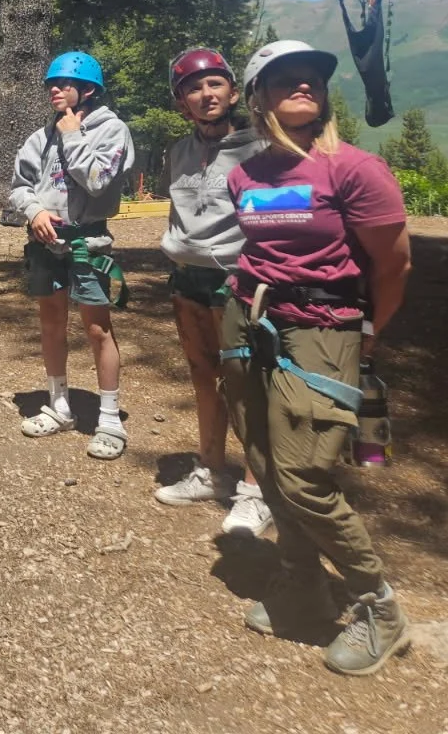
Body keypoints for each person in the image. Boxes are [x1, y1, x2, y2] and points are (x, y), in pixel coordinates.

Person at [222, 39, 412, 676]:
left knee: (305, 473)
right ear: (259, 98)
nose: (304, 85)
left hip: (322, 326)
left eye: (312, 80)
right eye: (286, 79)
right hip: (248, 318)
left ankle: (377, 604)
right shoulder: (245, 174)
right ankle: (302, 583)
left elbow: (394, 262)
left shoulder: (354, 169)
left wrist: (367, 332)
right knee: (263, 458)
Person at [154, 48, 272, 536]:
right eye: (193, 89)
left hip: (236, 280)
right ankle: (210, 470)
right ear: (182, 102)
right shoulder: (178, 154)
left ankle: (256, 489)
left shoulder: (261, 150)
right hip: (187, 278)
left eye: (215, 85)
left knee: (247, 384)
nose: (206, 95)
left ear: (232, 92)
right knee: (204, 376)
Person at [10, 51, 136, 460]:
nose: (54, 89)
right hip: (46, 244)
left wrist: (71, 134)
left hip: (88, 242)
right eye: (52, 83)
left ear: (88, 91)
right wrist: (35, 211)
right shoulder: (39, 136)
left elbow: (98, 181)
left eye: (64, 84)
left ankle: (110, 418)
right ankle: (60, 404)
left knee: (98, 328)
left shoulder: (111, 129)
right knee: (51, 324)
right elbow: (19, 184)